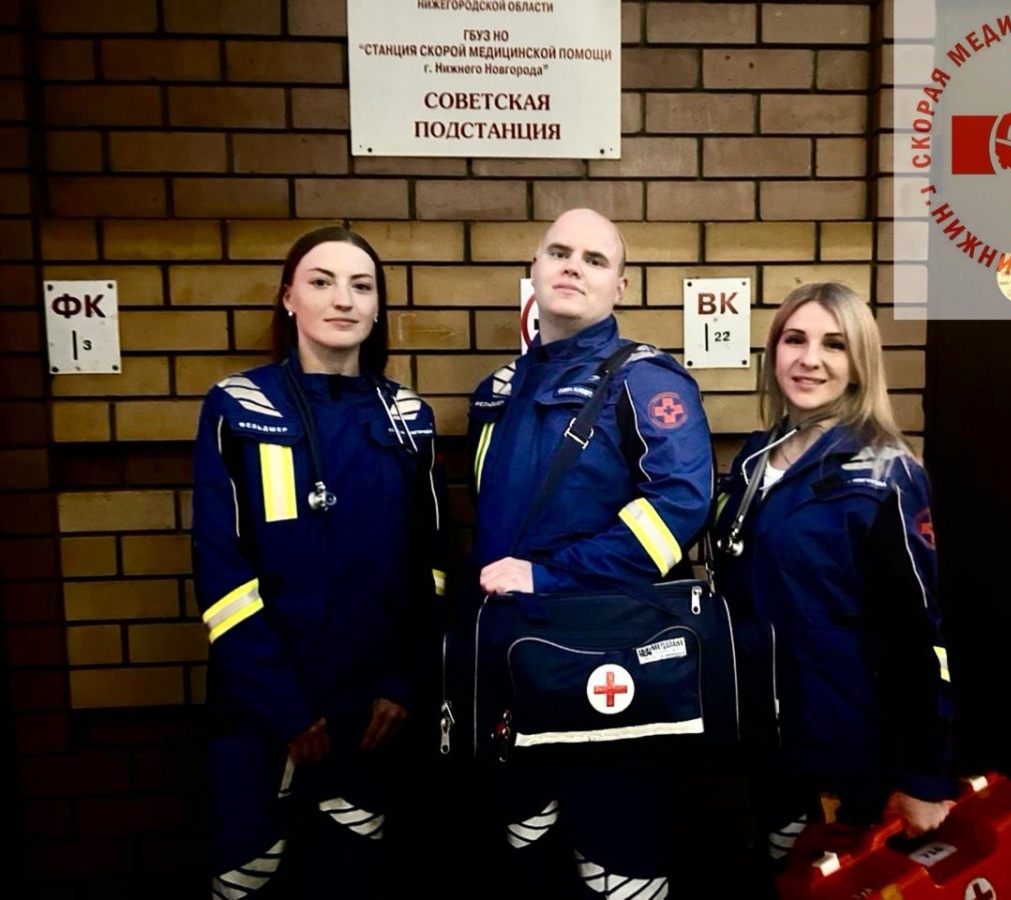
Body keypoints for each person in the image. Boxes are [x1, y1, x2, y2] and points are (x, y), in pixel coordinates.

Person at [467, 208, 714, 898]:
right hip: (514, 673)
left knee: (620, 870)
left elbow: (679, 507)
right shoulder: (496, 394)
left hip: (609, 674)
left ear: (620, 286)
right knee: (531, 866)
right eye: (559, 252)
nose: (573, 267)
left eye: (595, 259)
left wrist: (552, 576)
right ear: (535, 270)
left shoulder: (648, 381)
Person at [191, 226, 445, 898]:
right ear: (288, 298)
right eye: (322, 282)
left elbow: (431, 569)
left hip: (372, 717)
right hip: (260, 711)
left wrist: (403, 684)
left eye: (362, 286)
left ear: (378, 307)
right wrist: (284, 706)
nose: (343, 300)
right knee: (247, 885)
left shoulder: (408, 419)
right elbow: (221, 573)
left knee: (353, 882)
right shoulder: (237, 407)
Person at [711, 282, 954, 874]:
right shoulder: (755, 457)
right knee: (784, 876)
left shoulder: (887, 471)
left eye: (834, 344)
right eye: (794, 340)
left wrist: (924, 773)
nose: (810, 359)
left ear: (859, 362)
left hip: (846, 745)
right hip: (763, 735)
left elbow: (916, 633)